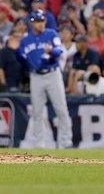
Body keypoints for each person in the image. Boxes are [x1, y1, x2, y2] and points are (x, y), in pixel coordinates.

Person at [19, 10, 72, 149]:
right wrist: (37, 62)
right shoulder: (25, 40)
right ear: (31, 22)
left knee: (61, 109)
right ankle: (39, 144)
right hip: (36, 77)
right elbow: (24, 60)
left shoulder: (51, 33)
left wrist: (51, 52)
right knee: (37, 112)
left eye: (42, 20)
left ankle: (65, 142)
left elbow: (59, 51)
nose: (40, 23)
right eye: (37, 21)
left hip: (52, 74)